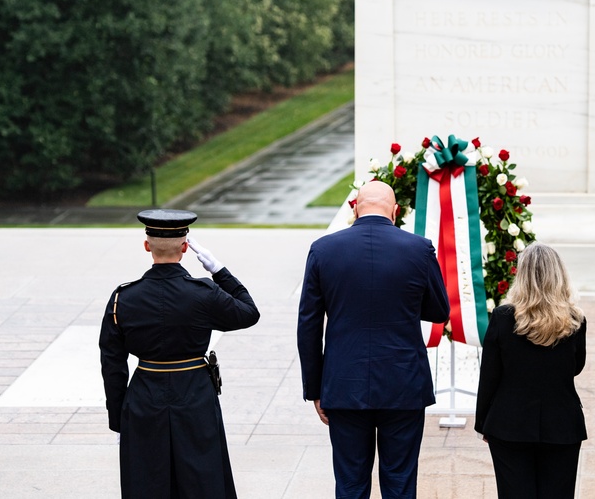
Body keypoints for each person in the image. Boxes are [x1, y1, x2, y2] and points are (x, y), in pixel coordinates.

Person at [297, 180, 450, 498]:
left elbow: (308, 327)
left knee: (351, 482)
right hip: (403, 383)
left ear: (354, 208)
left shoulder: (323, 249)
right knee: (400, 481)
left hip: (344, 384)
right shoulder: (419, 249)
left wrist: (316, 389)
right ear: (395, 211)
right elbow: (439, 310)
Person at [99, 209, 260, 499]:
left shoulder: (123, 297)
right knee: (203, 481)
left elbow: (112, 361)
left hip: (144, 395)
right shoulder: (204, 292)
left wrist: (118, 415)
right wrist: (219, 271)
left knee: (147, 483)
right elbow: (249, 312)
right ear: (185, 248)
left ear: (147, 246)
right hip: (195, 395)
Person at [475, 243, 587, 499]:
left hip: (509, 423)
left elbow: (489, 375)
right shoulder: (575, 320)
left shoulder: (503, 317)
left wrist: (484, 423)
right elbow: (576, 367)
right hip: (562, 423)